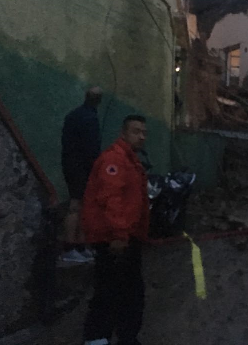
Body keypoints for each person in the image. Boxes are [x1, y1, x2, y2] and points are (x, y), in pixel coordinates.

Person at [81, 115, 150, 345]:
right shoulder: (115, 160)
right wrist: (119, 235)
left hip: (126, 237)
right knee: (110, 292)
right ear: (123, 133)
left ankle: (126, 338)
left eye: (144, 132)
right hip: (114, 240)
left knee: (129, 293)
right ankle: (97, 339)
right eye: (136, 131)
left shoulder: (130, 162)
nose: (141, 136)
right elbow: (111, 198)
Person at [60, 86, 103, 264]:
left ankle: (78, 247)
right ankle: (71, 248)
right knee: (77, 205)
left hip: (71, 165)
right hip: (82, 168)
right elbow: (91, 148)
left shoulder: (72, 115)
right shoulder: (91, 118)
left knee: (80, 205)